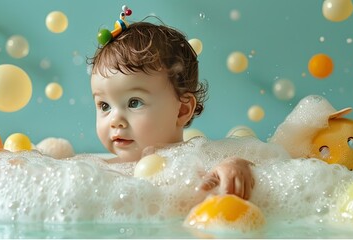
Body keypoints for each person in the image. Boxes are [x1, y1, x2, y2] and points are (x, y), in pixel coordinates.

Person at [88, 18, 255, 200]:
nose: (115, 120)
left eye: (134, 102)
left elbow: (266, 166)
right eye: (104, 105)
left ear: (182, 110)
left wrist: (236, 165)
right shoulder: (96, 171)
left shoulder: (195, 162)